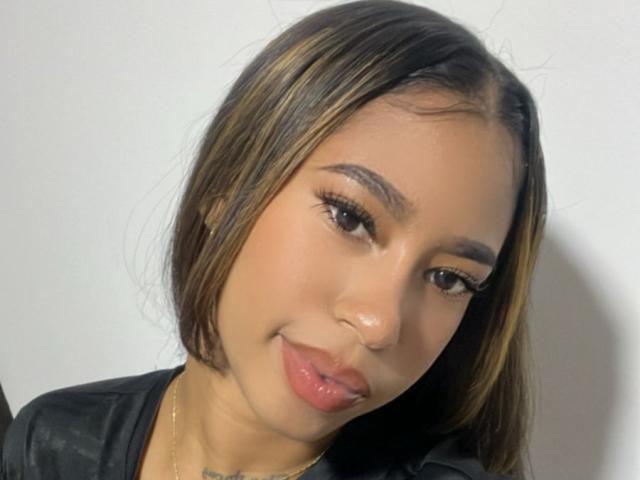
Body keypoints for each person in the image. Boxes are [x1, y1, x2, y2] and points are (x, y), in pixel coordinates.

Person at [1, 1, 547, 479]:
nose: (380, 323)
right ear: (226, 187)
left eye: (449, 278)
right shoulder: (53, 441)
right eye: (350, 218)